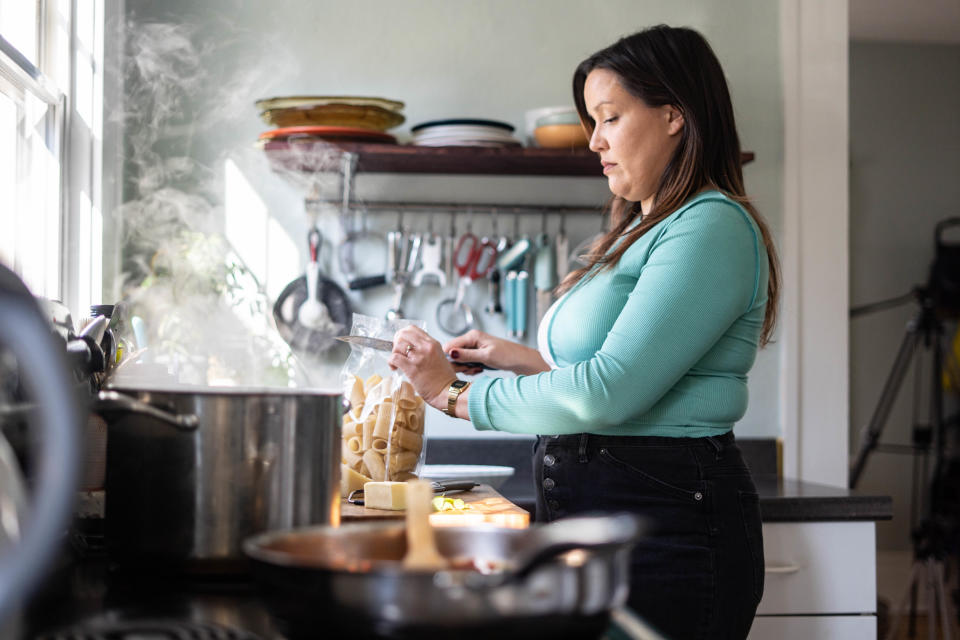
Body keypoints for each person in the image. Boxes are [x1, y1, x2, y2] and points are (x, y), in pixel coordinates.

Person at [388, 24, 780, 640]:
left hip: (671, 529)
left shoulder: (712, 226)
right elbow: (615, 382)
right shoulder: (639, 232)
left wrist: (454, 396)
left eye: (609, 117)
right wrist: (517, 360)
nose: (593, 140)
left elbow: (608, 393)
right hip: (602, 514)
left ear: (674, 115)